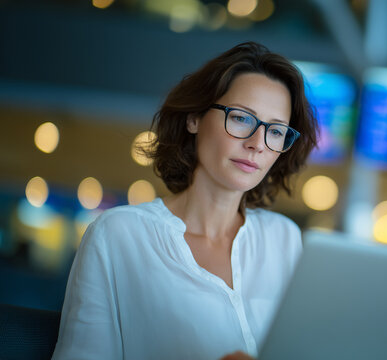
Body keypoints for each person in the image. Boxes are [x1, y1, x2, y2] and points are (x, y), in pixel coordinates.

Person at [52, 42, 318, 360]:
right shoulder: (118, 235)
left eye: (276, 131)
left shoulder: (285, 239)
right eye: (242, 119)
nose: (257, 144)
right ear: (194, 118)